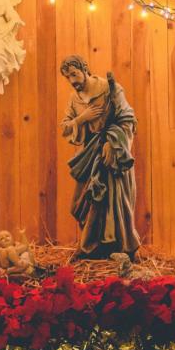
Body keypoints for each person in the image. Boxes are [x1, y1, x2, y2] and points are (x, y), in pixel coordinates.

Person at [60, 55, 141, 259]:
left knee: (116, 199)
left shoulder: (110, 89)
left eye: (74, 74)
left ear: (85, 69)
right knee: (87, 200)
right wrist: (82, 119)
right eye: (67, 77)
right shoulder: (74, 98)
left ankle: (123, 247)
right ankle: (91, 247)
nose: (72, 81)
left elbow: (128, 119)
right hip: (90, 155)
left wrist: (112, 143)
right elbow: (65, 128)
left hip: (113, 155)